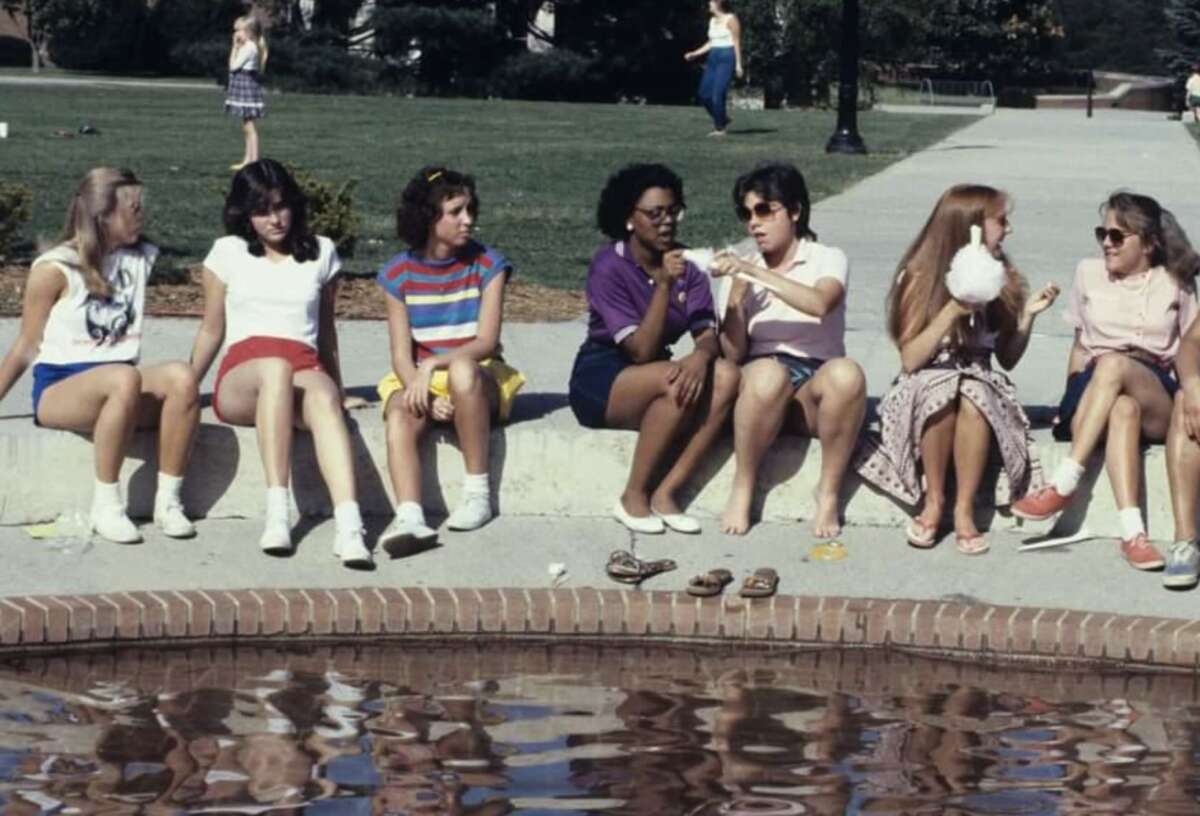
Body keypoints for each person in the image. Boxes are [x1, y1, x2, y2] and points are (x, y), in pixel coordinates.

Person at [856, 184, 1059, 555]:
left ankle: (963, 508)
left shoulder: (1000, 275)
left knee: (973, 390)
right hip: (926, 378)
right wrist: (952, 309)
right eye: (1001, 221)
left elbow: (1008, 358)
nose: (1009, 229)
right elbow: (911, 359)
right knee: (943, 387)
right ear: (971, 226)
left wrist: (1026, 316)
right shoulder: (918, 276)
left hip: (979, 379)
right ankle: (934, 500)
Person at [0, 167, 199, 543]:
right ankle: (106, 505)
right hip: (61, 390)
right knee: (123, 377)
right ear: (102, 215)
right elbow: (26, 345)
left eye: (142, 207)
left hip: (120, 388)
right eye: (133, 208)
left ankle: (168, 502)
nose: (142, 215)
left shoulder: (138, 258)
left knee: (181, 376)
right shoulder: (55, 268)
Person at [189, 159, 372, 568]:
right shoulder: (227, 252)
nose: (274, 219)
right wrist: (188, 384)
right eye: (261, 210)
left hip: (304, 366)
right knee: (275, 368)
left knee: (324, 401)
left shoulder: (322, 252)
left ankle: (350, 526)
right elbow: (211, 330)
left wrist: (338, 389)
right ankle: (277, 513)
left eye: (281, 206)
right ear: (244, 214)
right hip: (244, 376)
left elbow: (326, 335)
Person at [1014, 193, 1200, 571]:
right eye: (1102, 234)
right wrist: (1073, 404)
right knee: (1120, 406)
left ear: (1148, 243)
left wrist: (1192, 397)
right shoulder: (1087, 272)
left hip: (1155, 393)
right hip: (1096, 387)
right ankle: (1134, 535)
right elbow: (1081, 346)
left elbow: (1188, 349)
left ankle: (1064, 483)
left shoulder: (1176, 282)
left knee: (1116, 367)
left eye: (1118, 236)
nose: (1106, 244)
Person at [568, 163, 740, 534]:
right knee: (671, 377)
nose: (667, 222)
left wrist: (701, 355)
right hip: (602, 376)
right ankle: (632, 497)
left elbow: (706, 331)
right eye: (654, 213)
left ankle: (667, 493)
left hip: (656, 373)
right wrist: (662, 284)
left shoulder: (687, 265)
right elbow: (641, 352)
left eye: (673, 211)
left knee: (726, 376)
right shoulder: (608, 265)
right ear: (629, 218)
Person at [375, 166, 526, 553]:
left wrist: (432, 366)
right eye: (456, 211)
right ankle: (409, 514)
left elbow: (487, 342)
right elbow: (399, 354)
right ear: (429, 218)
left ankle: (478, 493)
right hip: (423, 378)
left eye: (470, 209)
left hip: (477, 373)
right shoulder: (397, 273)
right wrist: (419, 389)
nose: (468, 219)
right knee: (399, 412)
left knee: (461, 370)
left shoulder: (488, 264)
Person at [713, 162, 866, 538]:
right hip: (763, 391)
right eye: (747, 213)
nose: (754, 223)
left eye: (765, 210)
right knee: (768, 372)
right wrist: (735, 302)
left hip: (815, 390)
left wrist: (758, 275)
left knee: (848, 373)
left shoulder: (827, 258)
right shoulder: (741, 271)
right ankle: (743, 484)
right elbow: (733, 355)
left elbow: (820, 304)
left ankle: (828, 493)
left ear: (795, 211)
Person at [684, 0, 744, 137]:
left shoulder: (731, 19)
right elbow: (711, 43)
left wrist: (738, 64)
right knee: (704, 94)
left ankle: (720, 128)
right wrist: (694, 53)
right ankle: (722, 118)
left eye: (711, 3)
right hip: (713, 57)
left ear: (718, 4)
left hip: (727, 56)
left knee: (717, 94)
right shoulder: (712, 21)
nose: (708, 5)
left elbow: (736, 42)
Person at [226, 14, 267, 171]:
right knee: (246, 126)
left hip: (246, 87)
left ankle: (254, 162)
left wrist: (234, 47)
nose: (235, 34)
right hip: (244, 86)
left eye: (238, 30)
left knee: (249, 126)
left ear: (248, 31)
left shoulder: (248, 47)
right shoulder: (249, 46)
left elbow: (233, 66)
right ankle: (248, 160)